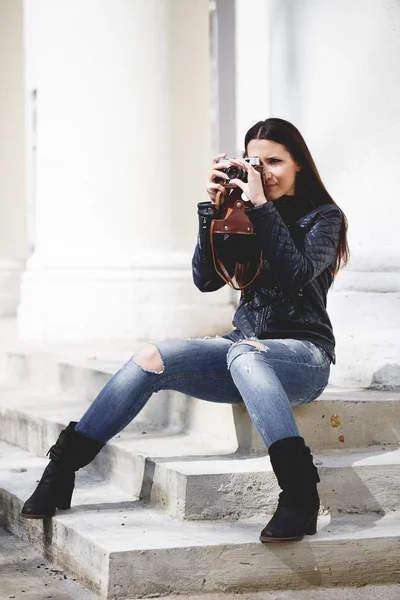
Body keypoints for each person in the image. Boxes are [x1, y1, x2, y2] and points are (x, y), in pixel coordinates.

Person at [21, 117, 349, 543]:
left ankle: (300, 495)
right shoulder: (242, 211)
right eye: (256, 161)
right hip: (242, 354)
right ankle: (61, 470)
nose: (265, 172)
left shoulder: (324, 218)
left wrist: (263, 210)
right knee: (151, 357)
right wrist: (215, 211)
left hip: (303, 356)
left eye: (275, 161)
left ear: (299, 164)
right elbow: (207, 279)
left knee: (246, 354)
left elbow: (295, 274)